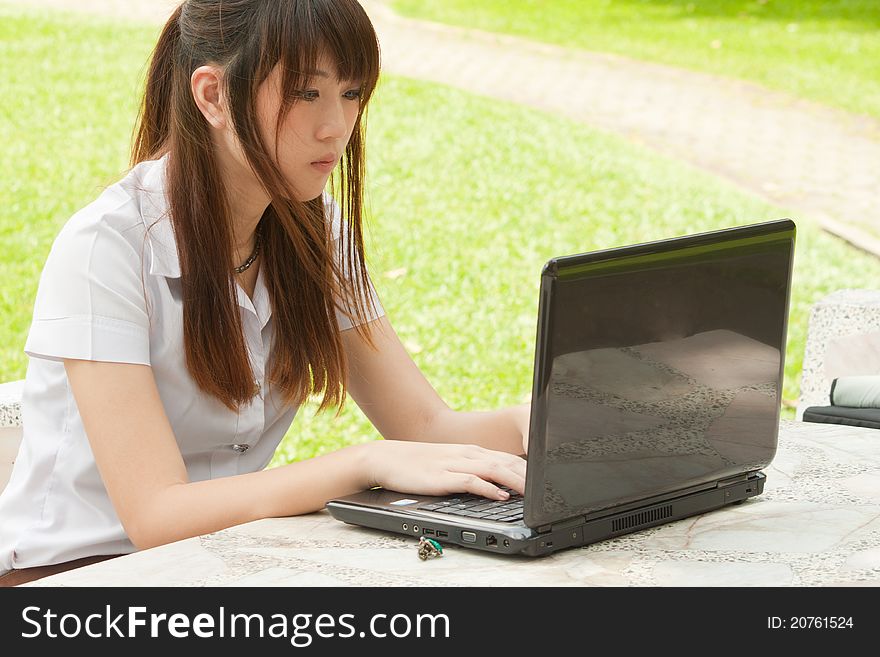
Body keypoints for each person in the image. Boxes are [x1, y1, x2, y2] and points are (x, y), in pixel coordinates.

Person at [0, 0, 530, 586]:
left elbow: (427, 427)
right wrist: (361, 463)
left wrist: (548, 423)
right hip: (72, 579)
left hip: (210, 566)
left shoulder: (315, 231)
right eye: (307, 93)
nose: (337, 125)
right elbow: (155, 513)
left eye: (352, 93)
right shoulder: (108, 247)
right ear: (213, 96)